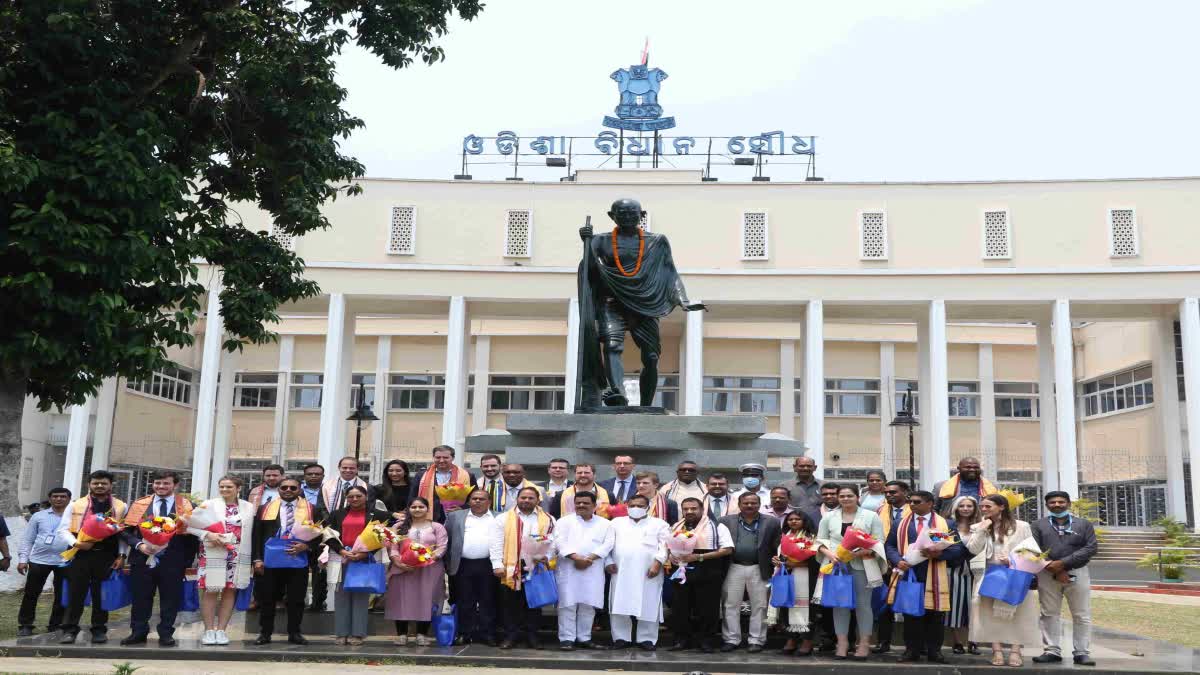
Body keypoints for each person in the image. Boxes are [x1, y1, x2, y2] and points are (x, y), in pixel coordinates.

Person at [885, 490, 967, 664]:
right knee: (911, 615)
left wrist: (936, 555)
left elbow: (957, 549)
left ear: (930, 503)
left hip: (935, 575)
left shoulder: (944, 524)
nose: (912, 505)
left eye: (917, 502)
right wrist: (897, 561)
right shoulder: (900, 523)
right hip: (909, 574)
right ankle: (911, 651)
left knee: (935, 615)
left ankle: (934, 651)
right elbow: (890, 546)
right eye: (911, 502)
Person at [120, 470, 198, 647]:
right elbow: (124, 531)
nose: (161, 487)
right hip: (142, 558)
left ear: (175, 485)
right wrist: (139, 545)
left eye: (166, 483)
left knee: (170, 598)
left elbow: (194, 534)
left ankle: (166, 633)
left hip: (173, 560)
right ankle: (138, 632)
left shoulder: (186, 505)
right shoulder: (140, 504)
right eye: (157, 483)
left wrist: (186, 560)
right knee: (141, 597)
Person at [966, 493, 1042, 668]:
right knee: (988, 614)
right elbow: (973, 549)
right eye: (982, 507)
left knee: (1019, 613)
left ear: (1001, 507)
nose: (984, 510)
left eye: (988, 506)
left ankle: (1016, 651)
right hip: (989, 573)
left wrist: (1012, 560)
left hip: (1016, 574)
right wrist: (981, 529)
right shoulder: (980, 526)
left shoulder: (1022, 526)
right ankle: (997, 650)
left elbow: (1032, 552)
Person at [251, 476, 328, 645]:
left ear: (300, 489)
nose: (288, 490)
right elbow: (257, 535)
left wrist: (306, 546)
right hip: (270, 560)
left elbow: (321, 533)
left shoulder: (311, 509)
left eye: (292, 488)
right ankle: (265, 633)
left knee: (296, 599)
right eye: (284, 487)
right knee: (267, 598)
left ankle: (294, 633)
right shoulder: (265, 508)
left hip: (297, 558)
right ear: (278, 489)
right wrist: (257, 559)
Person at [55, 470, 128, 644]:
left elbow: (123, 533)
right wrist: (76, 544)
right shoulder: (75, 505)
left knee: (101, 594)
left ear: (111, 485)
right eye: (96, 483)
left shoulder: (121, 506)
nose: (100, 486)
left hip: (107, 555)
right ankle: (69, 630)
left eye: (104, 483)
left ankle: (98, 630)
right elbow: (62, 529)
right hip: (80, 554)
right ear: (89, 485)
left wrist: (122, 555)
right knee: (76, 593)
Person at [818, 484, 886, 660]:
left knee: (863, 605)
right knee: (839, 605)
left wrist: (862, 551)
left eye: (849, 496)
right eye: (842, 496)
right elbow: (820, 541)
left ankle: (863, 643)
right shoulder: (828, 517)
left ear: (858, 497)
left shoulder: (871, 516)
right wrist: (830, 554)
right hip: (837, 566)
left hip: (861, 565)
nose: (846, 499)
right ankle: (842, 643)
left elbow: (878, 541)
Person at [1032, 491, 1099, 667]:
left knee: (1081, 614)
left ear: (1068, 504)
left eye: (1061, 502)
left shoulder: (1083, 524)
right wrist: (1052, 567)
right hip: (1046, 573)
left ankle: (1082, 652)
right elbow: (1033, 549)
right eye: (1052, 502)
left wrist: (1063, 564)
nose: (1057, 505)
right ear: (1047, 505)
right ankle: (1052, 650)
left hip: (1078, 572)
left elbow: (1091, 548)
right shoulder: (1038, 525)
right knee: (1048, 613)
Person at [191, 475, 255, 646]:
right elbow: (189, 524)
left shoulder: (248, 507)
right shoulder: (208, 504)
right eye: (222, 487)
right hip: (212, 552)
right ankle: (209, 630)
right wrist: (208, 534)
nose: (225, 490)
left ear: (238, 488)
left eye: (229, 487)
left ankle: (221, 630)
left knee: (229, 592)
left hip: (237, 554)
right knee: (210, 591)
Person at [491, 486, 556, 649]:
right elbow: (496, 543)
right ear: (517, 499)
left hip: (536, 566)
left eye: (530, 498)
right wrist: (497, 565)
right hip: (512, 566)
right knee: (510, 604)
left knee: (534, 603)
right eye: (523, 498)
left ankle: (533, 637)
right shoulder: (503, 518)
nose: (526, 501)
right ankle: (511, 636)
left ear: (538, 500)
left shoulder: (548, 519)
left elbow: (554, 543)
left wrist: (545, 557)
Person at [324, 485, 390, 646]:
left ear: (366, 496)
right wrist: (341, 551)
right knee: (341, 596)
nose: (354, 499)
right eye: (351, 496)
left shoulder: (378, 515)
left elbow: (383, 538)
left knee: (361, 597)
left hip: (364, 559)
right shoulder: (337, 514)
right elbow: (328, 534)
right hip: (341, 559)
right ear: (346, 498)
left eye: (358, 496)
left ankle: (358, 634)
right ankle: (341, 633)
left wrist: (365, 553)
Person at [666, 496, 733, 653]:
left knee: (707, 608)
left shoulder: (717, 527)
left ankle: (706, 641)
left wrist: (698, 557)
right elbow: (668, 547)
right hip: (682, 569)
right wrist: (672, 556)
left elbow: (727, 549)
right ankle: (682, 640)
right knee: (680, 607)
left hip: (708, 569)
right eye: (686, 509)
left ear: (702, 510)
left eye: (693, 508)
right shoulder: (676, 526)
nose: (689, 512)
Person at [718, 492, 781, 653]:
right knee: (730, 604)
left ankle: (757, 640)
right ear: (739, 505)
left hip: (759, 567)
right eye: (746, 503)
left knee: (759, 605)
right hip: (733, 566)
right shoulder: (725, 521)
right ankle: (731, 639)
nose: (750, 506)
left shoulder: (771, 522)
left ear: (759, 505)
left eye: (753, 503)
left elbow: (776, 545)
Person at [605, 493, 669, 650]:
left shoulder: (659, 524)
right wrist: (608, 561)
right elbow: (606, 544)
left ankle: (646, 639)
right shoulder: (616, 523)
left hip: (649, 571)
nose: (636, 508)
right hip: (621, 571)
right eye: (633, 505)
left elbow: (665, 546)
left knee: (649, 603)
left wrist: (658, 563)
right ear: (627, 506)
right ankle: (621, 638)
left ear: (648, 507)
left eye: (640, 506)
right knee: (619, 602)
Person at [553, 491, 614, 650]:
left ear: (594, 505)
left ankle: (584, 637)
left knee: (588, 604)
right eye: (578, 502)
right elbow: (559, 542)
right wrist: (576, 557)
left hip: (593, 568)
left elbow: (608, 544)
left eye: (585, 503)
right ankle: (567, 639)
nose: (581, 505)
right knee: (567, 604)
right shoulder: (564, 522)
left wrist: (589, 559)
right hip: (568, 567)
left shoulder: (605, 524)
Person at [385, 496, 448, 646]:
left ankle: (422, 634)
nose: (417, 510)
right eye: (414, 507)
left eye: (421, 507)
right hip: (403, 569)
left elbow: (442, 546)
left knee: (426, 599)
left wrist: (428, 558)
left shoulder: (437, 527)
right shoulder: (399, 526)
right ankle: (401, 634)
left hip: (429, 569)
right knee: (401, 599)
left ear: (427, 509)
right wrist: (398, 562)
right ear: (408, 509)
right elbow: (393, 547)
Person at [445, 488, 497, 646]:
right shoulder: (455, 516)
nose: (478, 501)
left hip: (489, 564)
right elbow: (447, 539)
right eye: (474, 498)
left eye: (482, 499)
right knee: (464, 600)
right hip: (463, 565)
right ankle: (464, 633)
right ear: (469, 501)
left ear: (489, 502)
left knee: (488, 600)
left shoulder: (499, 517)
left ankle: (487, 633)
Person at [17, 487, 71, 637]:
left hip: (65, 561)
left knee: (62, 595)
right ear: (50, 498)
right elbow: (28, 539)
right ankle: (26, 625)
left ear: (68, 499)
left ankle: (56, 625)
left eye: (63, 496)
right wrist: (23, 559)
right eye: (55, 496)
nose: (59, 499)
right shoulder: (38, 516)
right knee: (31, 593)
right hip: (38, 561)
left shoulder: (74, 517)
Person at [771, 509, 819, 656]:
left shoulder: (812, 538)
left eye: (797, 519)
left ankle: (807, 641)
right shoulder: (784, 537)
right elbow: (782, 559)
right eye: (790, 519)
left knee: (808, 608)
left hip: (807, 576)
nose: (793, 521)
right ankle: (791, 639)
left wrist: (796, 565)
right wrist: (777, 561)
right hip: (788, 577)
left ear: (804, 521)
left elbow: (816, 562)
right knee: (788, 606)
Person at [872, 479, 911, 654]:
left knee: (910, 604)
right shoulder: (879, 511)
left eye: (893, 492)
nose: (889, 495)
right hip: (884, 565)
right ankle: (883, 642)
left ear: (905, 493)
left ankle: (913, 645)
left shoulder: (915, 510)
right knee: (883, 605)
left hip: (910, 565)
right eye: (886, 492)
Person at [946, 495, 983, 655]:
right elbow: (935, 540)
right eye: (962, 506)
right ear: (956, 508)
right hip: (953, 570)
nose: (966, 509)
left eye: (969, 506)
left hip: (977, 570)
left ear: (975, 508)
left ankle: (973, 641)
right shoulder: (946, 524)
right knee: (954, 605)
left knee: (975, 606)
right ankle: (957, 642)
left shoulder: (982, 525)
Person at [412, 445, 476, 521]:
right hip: (428, 518)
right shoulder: (421, 475)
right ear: (433, 458)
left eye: (445, 457)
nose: (441, 460)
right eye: (438, 457)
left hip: (457, 518)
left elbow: (474, 498)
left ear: (453, 458)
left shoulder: (467, 475)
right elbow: (412, 498)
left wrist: (462, 508)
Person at [300, 463, 329, 612]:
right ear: (304, 476)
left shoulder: (329, 491)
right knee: (299, 571)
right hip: (298, 536)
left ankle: (318, 602)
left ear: (323, 476)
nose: (313, 476)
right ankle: (297, 601)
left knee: (319, 570)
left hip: (322, 536)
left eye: (317, 474)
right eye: (310, 474)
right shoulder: (295, 491)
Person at [933, 457, 998, 516]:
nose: (972, 469)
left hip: (982, 525)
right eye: (968, 467)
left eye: (976, 467)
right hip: (950, 526)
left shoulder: (993, 487)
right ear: (958, 468)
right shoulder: (941, 486)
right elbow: (933, 509)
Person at [788, 456, 824, 525]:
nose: (805, 468)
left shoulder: (824, 486)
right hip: (794, 525)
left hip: (819, 524)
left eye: (809, 466)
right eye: (802, 466)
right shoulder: (785, 486)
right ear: (795, 467)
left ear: (815, 468)